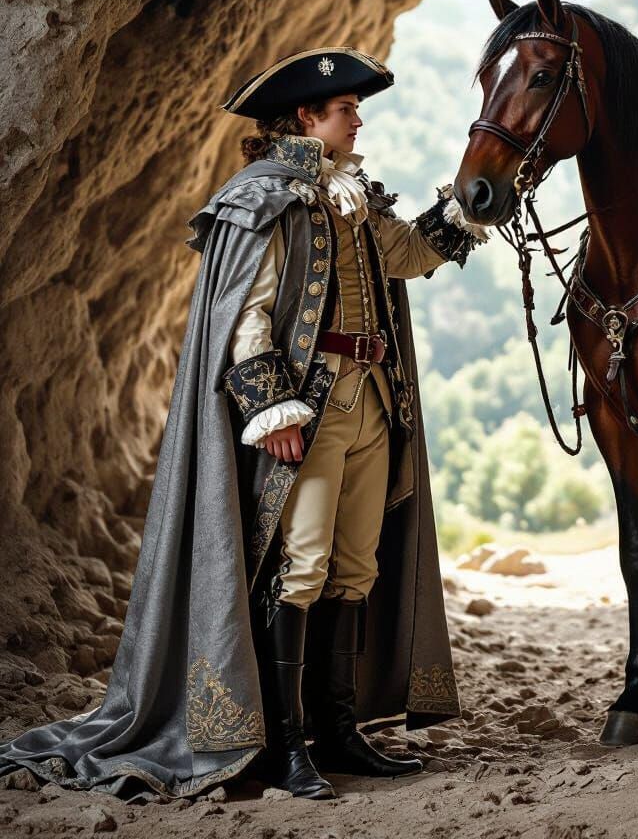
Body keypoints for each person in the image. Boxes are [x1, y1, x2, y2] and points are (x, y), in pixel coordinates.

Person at [0, 47, 487, 800]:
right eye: (346, 109)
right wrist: (270, 408)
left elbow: (409, 255)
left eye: (357, 109)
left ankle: (341, 730)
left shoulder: (354, 193)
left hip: (372, 403)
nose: (358, 119)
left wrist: (465, 209)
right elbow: (245, 316)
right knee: (301, 569)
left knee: (355, 568)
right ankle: (286, 745)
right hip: (311, 411)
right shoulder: (261, 197)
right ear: (306, 117)